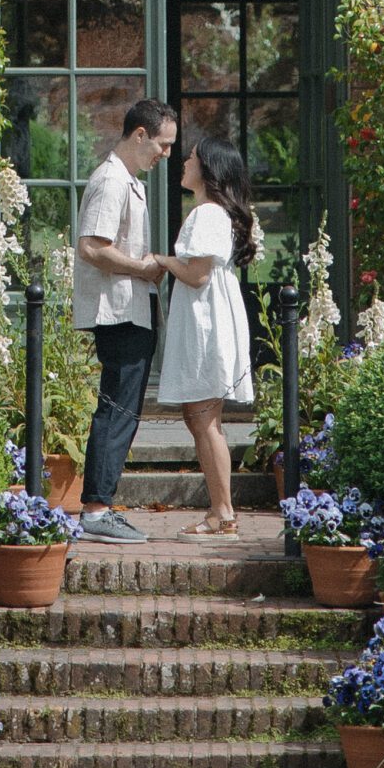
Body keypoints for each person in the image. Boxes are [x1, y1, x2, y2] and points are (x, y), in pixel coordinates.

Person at [72, 95, 178, 544]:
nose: (166, 154)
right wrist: (144, 266)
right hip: (118, 314)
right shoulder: (112, 181)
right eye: (162, 144)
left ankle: (101, 505)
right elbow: (91, 248)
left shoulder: (126, 179)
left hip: (130, 310)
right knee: (116, 408)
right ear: (139, 135)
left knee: (123, 409)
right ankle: (96, 509)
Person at [154, 134, 257, 534]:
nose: (184, 162)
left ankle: (223, 511)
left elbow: (196, 274)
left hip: (206, 321)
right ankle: (221, 510)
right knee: (201, 416)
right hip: (209, 316)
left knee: (203, 417)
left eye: (192, 157)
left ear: (209, 169)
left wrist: (161, 260)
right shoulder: (213, 213)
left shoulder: (207, 214)